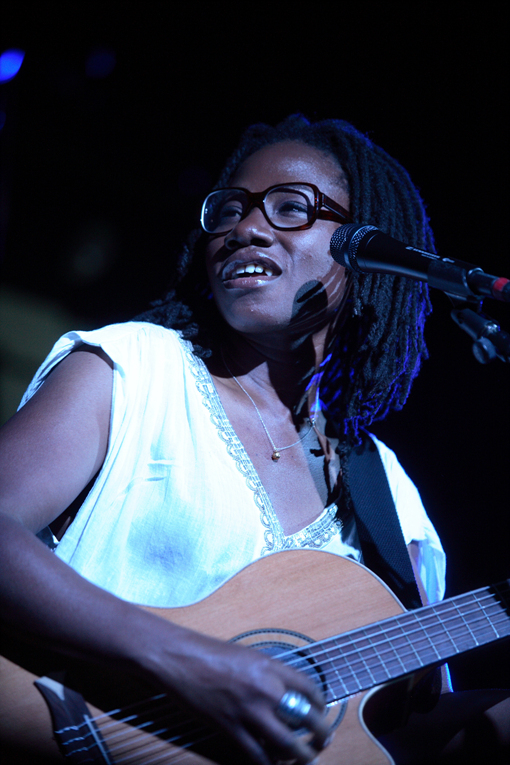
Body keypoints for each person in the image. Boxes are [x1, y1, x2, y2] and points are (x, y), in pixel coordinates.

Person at [0, 115, 508, 765]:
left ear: (368, 248)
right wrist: (184, 659)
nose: (246, 227)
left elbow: (399, 732)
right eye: (230, 209)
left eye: (292, 208)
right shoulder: (134, 370)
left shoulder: (392, 496)